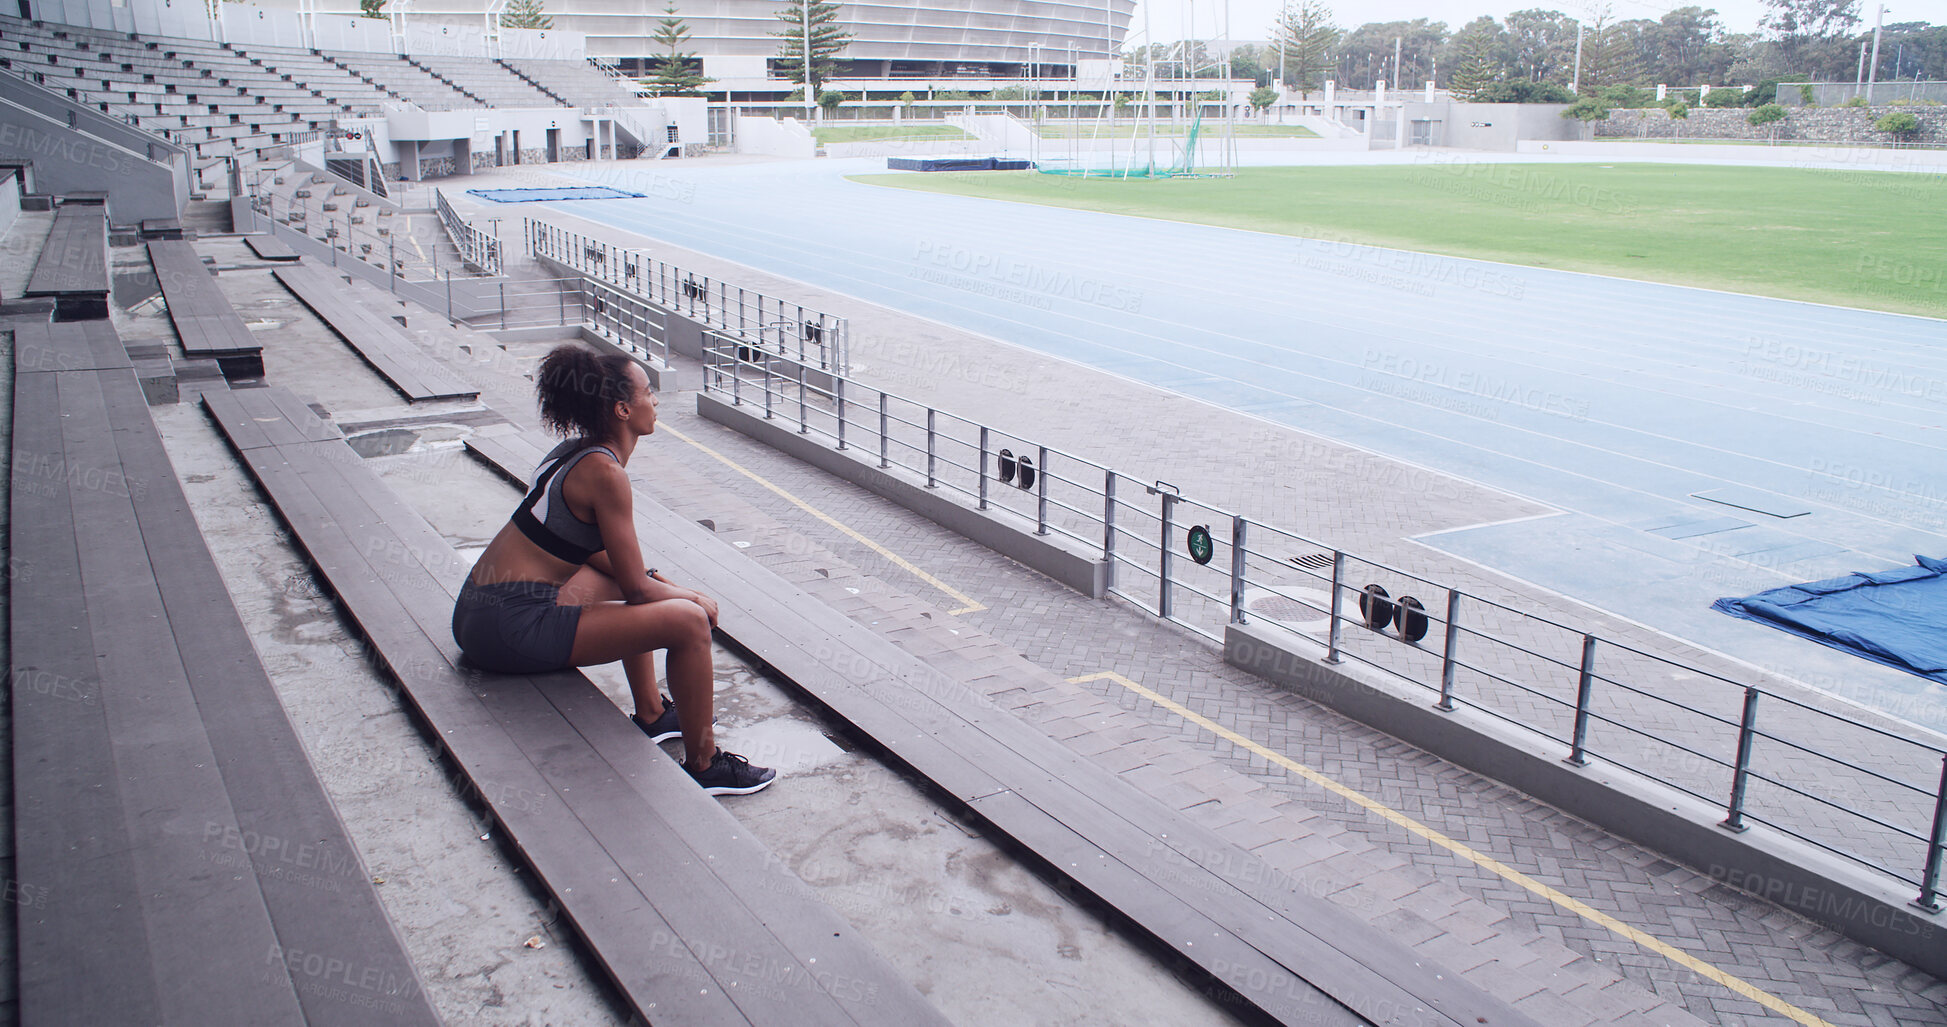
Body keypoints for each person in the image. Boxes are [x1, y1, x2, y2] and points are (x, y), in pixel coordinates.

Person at [452, 344, 775, 795]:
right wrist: (690, 597)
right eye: (648, 392)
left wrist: (662, 582)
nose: (656, 401)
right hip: (508, 629)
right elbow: (638, 593)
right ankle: (706, 765)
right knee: (689, 622)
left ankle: (653, 714)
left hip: (477, 614)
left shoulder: (570, 452)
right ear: (623, 409)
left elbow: (596, 558)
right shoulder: (606, 474)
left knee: (627, 585)